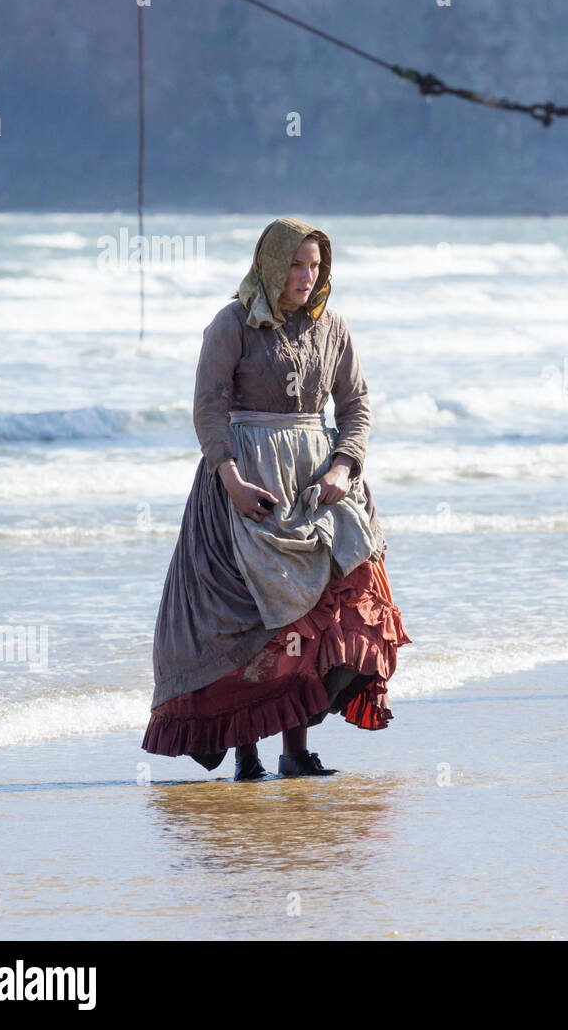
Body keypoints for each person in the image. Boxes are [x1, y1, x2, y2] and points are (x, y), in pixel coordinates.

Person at [142, 216, 410, 777]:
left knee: (315, 617)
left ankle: (295, 753)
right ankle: (246, 754)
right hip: (245, 483)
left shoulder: (332, 326)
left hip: (317, 486)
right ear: (270, 263)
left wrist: (344, 466)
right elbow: (209, 407)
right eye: (295, 264)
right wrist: (232, 480)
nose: (306, 276)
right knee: (248, 621)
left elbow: (356, 405)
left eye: (315, 265)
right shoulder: (233, 323)